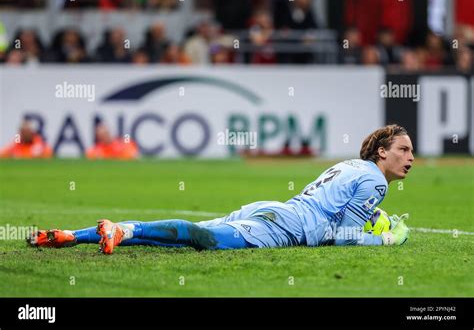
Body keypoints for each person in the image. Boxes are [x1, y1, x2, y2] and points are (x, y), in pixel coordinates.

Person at [28, 125, 412, 254]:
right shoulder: (376, 180)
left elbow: (337, 218)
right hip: (284, 227)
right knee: (203, 239)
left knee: (190, 238)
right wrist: (386, 239)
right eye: (404, 150)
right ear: (382, 152)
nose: (411, 158)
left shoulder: (351, 166)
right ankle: (126, 230)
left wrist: (368, 221)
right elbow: (342, 238)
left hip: (275, 209)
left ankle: (70, 235)